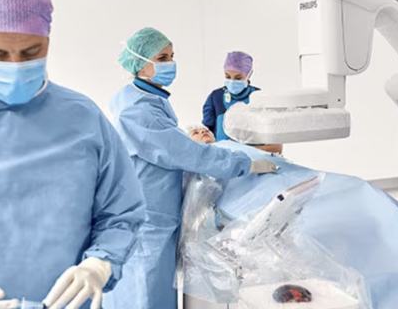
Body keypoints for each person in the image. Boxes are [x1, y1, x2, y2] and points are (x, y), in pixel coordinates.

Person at [0, 0, 147, 309]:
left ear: (48, 39)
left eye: (31, 51)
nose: (16, 65)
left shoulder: (83, 118)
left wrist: (99, 264)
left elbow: (121, 211)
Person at [105, 27, 277, 309]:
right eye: (162, 58)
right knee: (145, 294)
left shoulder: (143, 97)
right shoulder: (139, 110)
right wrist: (247, 163)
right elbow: (185, 152)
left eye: (171, 56)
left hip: (149, 210)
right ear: (139, 64)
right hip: (148, 220)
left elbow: (173, 148)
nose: (170, 63)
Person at [202, 52, 283, 154]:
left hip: (255, 157)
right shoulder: (216, 97)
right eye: (227, 76)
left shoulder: (259, 97)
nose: (232, 81)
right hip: (224, 157)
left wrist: (243, 150)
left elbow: (276, 145)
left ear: (249, 74)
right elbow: (206, 136)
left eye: (238, 78)